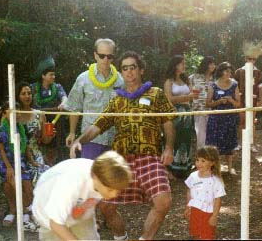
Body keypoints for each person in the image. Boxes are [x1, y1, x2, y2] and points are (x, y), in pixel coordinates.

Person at [70, 51, 176, 240]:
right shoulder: (117, 100)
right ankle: (121, 237)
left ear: (141, 69)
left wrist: (168, 148)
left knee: (163, 202)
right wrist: (80, 140)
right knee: (105, 206)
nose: (129, 72)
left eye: (132, 67)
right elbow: (98, 126)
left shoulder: (156, 93)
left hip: (149, 156)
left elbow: (168, 122)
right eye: (124, 68)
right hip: (121, 160)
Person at [32, 151, 132, 241]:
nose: (114, 194)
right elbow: (55, 223)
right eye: (110, 190)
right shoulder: (72, 184)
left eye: (118, 190)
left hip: (78, 209)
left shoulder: (106, 177)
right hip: (48, 213)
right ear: (95, 178)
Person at [64, 38, 124, 159]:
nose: (105, 60)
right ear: (95, 55)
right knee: (89, 175)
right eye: (102, 56)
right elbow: (75, 107)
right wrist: (71, 133)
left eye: (109, 56)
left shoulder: (121, 80)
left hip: (114, 140)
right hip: (90, 140)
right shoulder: (83, 79)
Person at [0, 101, 39, 231]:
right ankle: (25, 212)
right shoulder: (2, 130)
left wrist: (32, 162)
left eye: (18, 111)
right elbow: (1, 150)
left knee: (28, 188)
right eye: (13, 111)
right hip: (5, 164)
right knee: (15, 186)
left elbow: (25, 147)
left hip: (20, 162)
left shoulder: (21, 127)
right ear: (4, 114)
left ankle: (27, 210)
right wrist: (8, 167)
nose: (17, 114)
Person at [31, 56, 68, 165]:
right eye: (51, 74)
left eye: (54, 74)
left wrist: (63, 103)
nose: (53, 77)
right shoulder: (32, 88)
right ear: (43, 76)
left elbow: (65, 98)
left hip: (54, 125)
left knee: (54, 151)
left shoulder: (57, 87)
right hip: (37, 124)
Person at [164, 55, 197, 174]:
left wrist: (193, 95)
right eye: (182, 63)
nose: (184, 66)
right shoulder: (169, 81)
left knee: (186, 138)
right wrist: (187, 97)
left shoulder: (186, 80)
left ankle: (184, 166)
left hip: (187, 114)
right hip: (175, 115)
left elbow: (192, 94)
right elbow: (169, 99)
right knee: (175, 138)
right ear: (175, 65)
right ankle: (171, 168)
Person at [184, 146, 226, 240]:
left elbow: (218, 199)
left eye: (203, 161)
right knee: (195, 234)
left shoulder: (216, 181)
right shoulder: (193, 176)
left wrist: (214, 216)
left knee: (207, 236)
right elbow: (189, 191)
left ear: (212, 163)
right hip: (195, 211)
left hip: (208, 213)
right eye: (197, 160)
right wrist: (187, 206)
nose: (199, 163)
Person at [206, 62, 240, 175]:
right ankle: (216, 169)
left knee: (229, 143)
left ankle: (230, 168)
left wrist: (231, 100)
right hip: (216, 119)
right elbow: (208, 104)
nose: (228, 74)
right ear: (220, 72)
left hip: (229, 119)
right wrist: (219, 101)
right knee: (215, 144)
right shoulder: (213, 85)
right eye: (226, 71)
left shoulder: (234, 84)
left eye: (230, 72)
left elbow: (238, 104)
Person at [234, 41, 262, 153]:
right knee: (241, 121)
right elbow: (235, 87)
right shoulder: (239, 72)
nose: (251, 61)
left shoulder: (258, 72)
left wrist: (260, 101)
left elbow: (261, 88)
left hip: (253, 100)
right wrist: (237, 100)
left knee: (252, 122)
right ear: (245, 58)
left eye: (253, 59)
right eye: (249, 58)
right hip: (241, 101)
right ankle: (240, 143)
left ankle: (251, 143)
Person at [16, 81, 51, 185]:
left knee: (40, 182)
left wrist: (50, 135)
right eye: (23, 94)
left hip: (36, 154)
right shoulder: (14, 115)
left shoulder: (39, 114)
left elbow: (45, 140)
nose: (27, 96)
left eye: (29, 93)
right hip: (19, 155)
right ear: (17, 96)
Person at [189, 56, 216, 148]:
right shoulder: (194, 77)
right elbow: (187, 89)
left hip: (213, 109)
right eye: (210, 64)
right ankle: (200, 156)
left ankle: (210, 158)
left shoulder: (215, 79)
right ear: (205, 64)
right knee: (200, 135)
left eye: (214, 64)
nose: (213, 66)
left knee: (211, 135)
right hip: (199, 109)